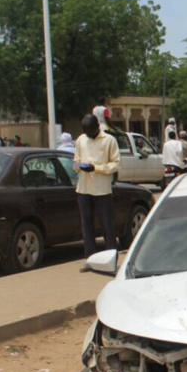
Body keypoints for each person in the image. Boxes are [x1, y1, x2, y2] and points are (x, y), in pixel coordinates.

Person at [73, 114, 120, 268]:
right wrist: (79, 166)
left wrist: (96, 168)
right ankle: (90, 260)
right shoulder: (81, 140)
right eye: (85, 131)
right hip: (84, 188)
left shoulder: (109, 140)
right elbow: (76, 161)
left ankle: (111, 261)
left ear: (97, 128)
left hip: (102, 190)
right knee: (86, 225)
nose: (88, 134)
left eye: (90, 131)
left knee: (107, 225)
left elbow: (115, 165)